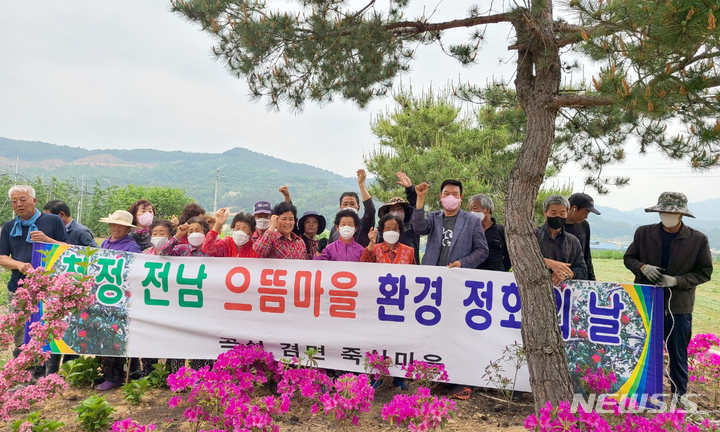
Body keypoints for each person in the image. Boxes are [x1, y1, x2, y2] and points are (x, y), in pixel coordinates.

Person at [624, 192, 713, 399]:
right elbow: (629, 258)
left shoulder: (697, 239)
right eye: (663, 211)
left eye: (672, 212)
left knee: (678, 355)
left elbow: (704, 272)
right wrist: (643, 267)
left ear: (681, 214)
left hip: (678, 307)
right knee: (642, 353)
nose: (667, 215)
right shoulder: (644, 233)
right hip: (647, 303)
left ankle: (678, 397)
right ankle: (640, 396)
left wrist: (676, 281)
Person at [0, 185, 68, 379]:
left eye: (23, 199)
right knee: (21, 334)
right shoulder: (9, 226)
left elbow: (67, 248)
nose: (18, 204)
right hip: (19, 290)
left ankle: (47, 376)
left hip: (48, 289)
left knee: (47, 331)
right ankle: (23, 378)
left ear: (34, 201)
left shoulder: (52, 221)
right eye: (14, 201)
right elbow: (2, 257)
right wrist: (19, 265)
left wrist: (47, 239)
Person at [411, 180, 489, 268]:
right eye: (447, 193)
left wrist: (462, 263)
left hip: (456, 276)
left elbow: (482, 250)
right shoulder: (433, 217)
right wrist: (420, 198)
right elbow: (418, 228)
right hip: (431, 275)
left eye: (455, 194)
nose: (450, 197)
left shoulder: (472, 221)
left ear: (461, 197)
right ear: (440, 197)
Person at [535, 195, 587, 284]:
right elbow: (520, 261)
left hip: (564, 292)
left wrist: (567, 274)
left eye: (562, 213)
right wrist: (549, 263)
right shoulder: (532, 237)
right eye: (553, 213)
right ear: (545, 213)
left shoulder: (573, 241)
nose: (558, 216)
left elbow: (582, 270)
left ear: (567, 213)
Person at [329, 169, 376, 247]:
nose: (348, 207)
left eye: (352, 204)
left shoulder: (364, 224)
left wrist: (361, 185)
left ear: (358, 207)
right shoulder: (335, 229)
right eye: (345, 204)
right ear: (340, 207)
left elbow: (370, 210)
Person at [468, 194, 511, 272]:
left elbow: (509, 257)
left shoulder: (501, 231)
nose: (471, 212)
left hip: (495, 278)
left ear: (487, 210)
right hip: (473, 276)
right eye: (470, 209)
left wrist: (502, 271)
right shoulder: (470, 230)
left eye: (474, 208)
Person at [565, 193, 600, 281]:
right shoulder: (557, 227)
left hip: (580, 277)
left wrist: (592, 280)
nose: (586, 217)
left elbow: (587, 255)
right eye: (585, 213)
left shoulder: (584, 225)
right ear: (574, 209)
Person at [377, 193, 419, 265]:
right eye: (393, 210)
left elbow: (417, 206)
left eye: (399, 209)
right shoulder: (382, 232)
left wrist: (409, 189)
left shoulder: (413, 228)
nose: (396, 213)